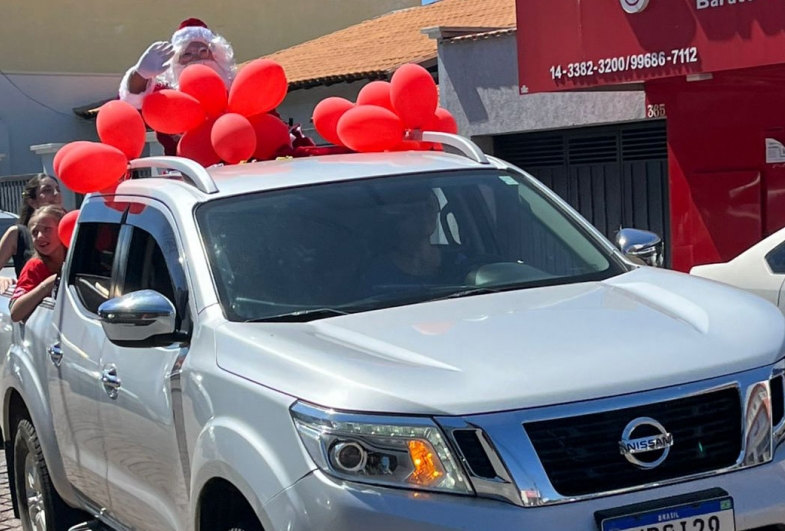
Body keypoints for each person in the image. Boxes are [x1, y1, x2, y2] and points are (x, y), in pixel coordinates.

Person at [118, 18, 314, 157]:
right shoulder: (168, 97)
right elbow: (133, 105)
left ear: (217, 57)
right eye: (187, 54)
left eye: (204, 51)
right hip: (194, 189)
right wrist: (140, 75)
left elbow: (273, 127)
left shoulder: (241, 90)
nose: (197, 57)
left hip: (255, 177)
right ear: (175, 62)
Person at [0, 175, 62, 292]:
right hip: (35, 307)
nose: (56, 194)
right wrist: (1, 279)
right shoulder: (18, 234)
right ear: (32, 202)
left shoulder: (71, 230)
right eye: (47, 190)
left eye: (58, 189)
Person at [10, 206, 67, 322]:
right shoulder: (34, 266)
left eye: (47, 229)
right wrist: (48, 284)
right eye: (35, 232)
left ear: (62, 229)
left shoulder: (79, 259)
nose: (40, 236)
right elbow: (15, 313)